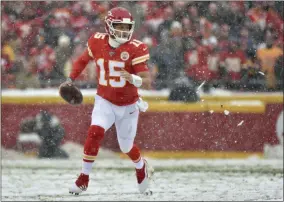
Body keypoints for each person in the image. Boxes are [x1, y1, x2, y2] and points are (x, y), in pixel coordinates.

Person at [59, 7, 153, 195]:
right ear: (109, 26)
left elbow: (148, 82)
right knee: (95, 132)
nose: (124, 31)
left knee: (126, 146)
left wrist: (132, 78)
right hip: (105, 101)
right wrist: (71, 79)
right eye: (119, 26)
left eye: (127, 28)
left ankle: (141, 166)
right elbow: (82, 60)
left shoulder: (136, 47)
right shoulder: (97, 41)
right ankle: (83, 179)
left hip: (129, 105)